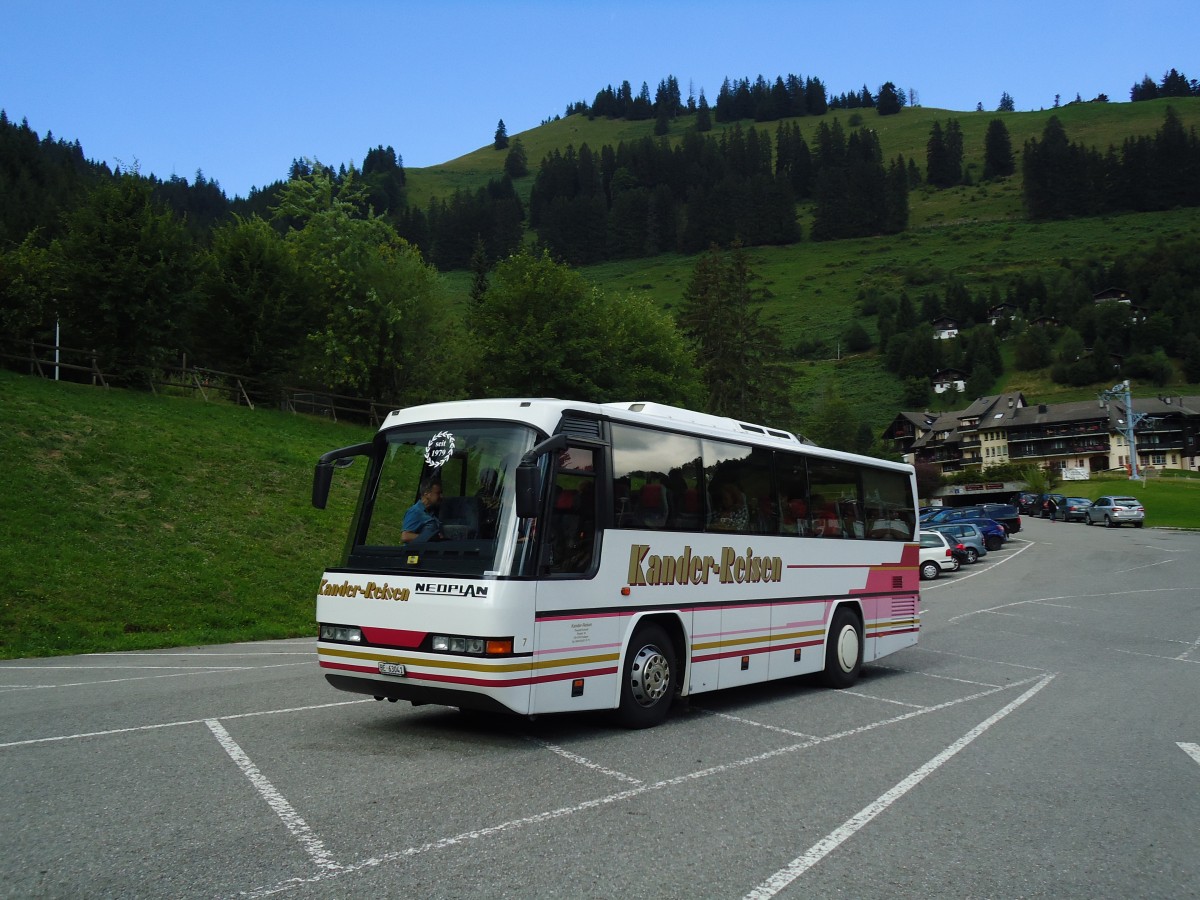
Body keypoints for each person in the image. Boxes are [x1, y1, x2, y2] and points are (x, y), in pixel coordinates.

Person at [402, 478, 444, 543]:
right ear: (426, 494)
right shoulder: (415, 512)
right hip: (416, 552)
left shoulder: (431, 512)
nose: (441, 496)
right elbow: (406, 537)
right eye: (438, 493)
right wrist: (431, 538)